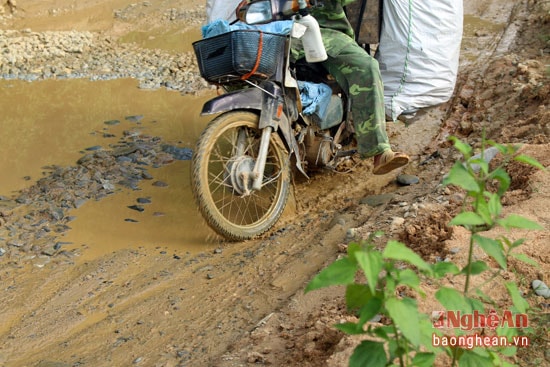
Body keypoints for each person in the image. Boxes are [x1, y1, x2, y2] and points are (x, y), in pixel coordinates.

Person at [205, 0, 409, 175]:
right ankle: (256, 134)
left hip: (324, 32)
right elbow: (245, 10)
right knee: (245, 64)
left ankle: (379, 151)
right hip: (279, 33)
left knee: (365, 66)